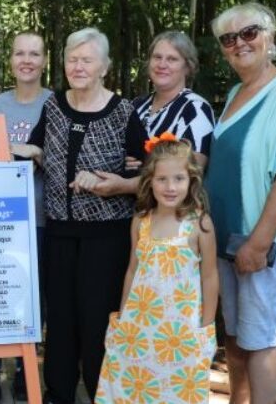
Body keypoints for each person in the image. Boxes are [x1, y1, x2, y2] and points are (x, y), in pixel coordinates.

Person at [26, 27, 147, 404]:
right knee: (60, 320)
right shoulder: (54, 105)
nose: (78, 67)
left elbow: (147, 174)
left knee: (97, 321)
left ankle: (101, 393)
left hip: (106, 239)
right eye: (72, 59)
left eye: (86, 60)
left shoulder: (124, 111)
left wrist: (119, 183)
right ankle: (58, 393)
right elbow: (35, 148)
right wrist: (1, 148)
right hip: (60, 232)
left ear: (104, 67)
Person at [205, 2, 276, 404]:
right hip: (228, 239)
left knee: (260, 339)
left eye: (249, 33)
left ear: (270, 36)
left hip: (260, 243)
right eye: (229, 39)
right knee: (235, 336)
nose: (239, 44)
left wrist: (258, 243)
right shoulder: (236, 92)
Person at [95, 135, 218, 403]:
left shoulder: (199, 224)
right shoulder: (141, 221)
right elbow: (132, 270)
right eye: (162, 179)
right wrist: (124, 317)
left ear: (191, 180)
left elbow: (209, 277)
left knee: (176, 391)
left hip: (180, 332)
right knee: (136, 387)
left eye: (178, 179)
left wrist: (206, 329)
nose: (170, 187)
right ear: (150, 181)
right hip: (140, 329)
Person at [0, 30, 51, 404]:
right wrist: (22, 148)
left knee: (33, 299)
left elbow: (60, 157)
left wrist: (35, 154)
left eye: (34, 54)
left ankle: (25, 368)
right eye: (20, 53)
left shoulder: (56, 103)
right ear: (11, 60)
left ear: (44, 61)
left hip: (39, 217)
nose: (26, 60)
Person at [87, 31, 215, 198]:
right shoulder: (136, 105)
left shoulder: (195, 109)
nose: (162, 64)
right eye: (157, 57)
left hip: (172, 215)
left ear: (188, 67)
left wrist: (126, 184)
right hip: (133, 214)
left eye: (172, 59)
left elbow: (192, 173)